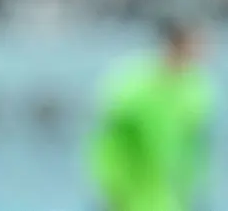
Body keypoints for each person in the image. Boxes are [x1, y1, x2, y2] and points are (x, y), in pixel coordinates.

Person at [89, 17, 216, 211]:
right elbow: (106, 140)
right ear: (176, 44)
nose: (204, 51)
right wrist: (110, 187)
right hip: (130, 197)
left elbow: (196, 146)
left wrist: (196, 188)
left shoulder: (197, 89)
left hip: (173, 198)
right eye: (197, 43)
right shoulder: (133, 86)